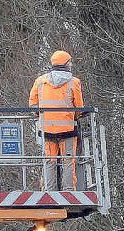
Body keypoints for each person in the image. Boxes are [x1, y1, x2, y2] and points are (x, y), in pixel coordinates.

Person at [29, 50, 85, 191]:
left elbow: (33, 105)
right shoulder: (74, 82)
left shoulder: (40, 81)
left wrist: (41, 115)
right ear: (66, 64)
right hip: (68, 131)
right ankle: (68, 191)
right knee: (68, 162)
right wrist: (76, 117)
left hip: (47, 130)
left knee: (49, 161)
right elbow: (79, 107)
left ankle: (49, 190)